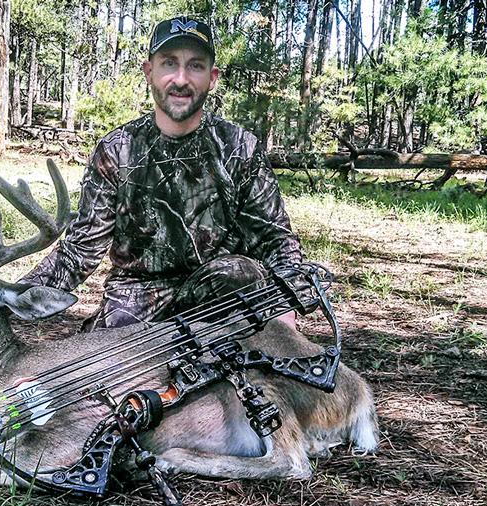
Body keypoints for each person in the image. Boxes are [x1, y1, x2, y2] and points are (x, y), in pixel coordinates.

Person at [22, 16, 303, 331]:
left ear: (212, 78)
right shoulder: (117, 150)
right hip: (137, 296)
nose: (181, 79)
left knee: (242, 274)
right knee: (104, 360)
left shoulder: (240, 147)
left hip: (219, 291)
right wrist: (14, 296)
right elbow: (79, 252)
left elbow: (276, 240)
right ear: (149, 72)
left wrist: (284, 309)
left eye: (195, 66)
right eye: (169, 63)